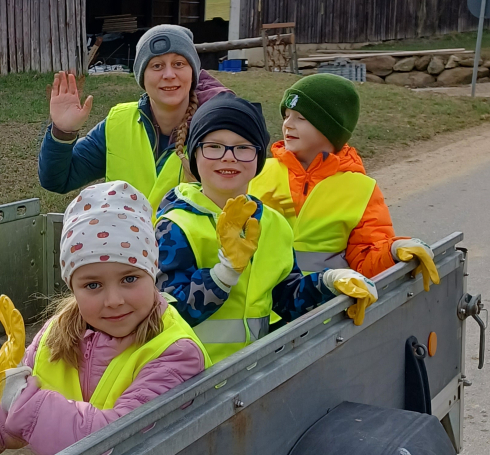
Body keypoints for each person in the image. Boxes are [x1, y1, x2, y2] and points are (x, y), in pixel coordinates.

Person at [0, 181, 210, 455]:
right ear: (72, 287)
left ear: (153, 272)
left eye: (129, 279)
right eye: (93, 285)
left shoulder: (176, 353)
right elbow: (3, 414)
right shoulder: (54, 335)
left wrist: (23, 402)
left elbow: (117, 442)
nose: (114, 300)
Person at [156, 93, 378, 363]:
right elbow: (168, 314)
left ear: (259, 157)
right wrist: (223, 275)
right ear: (194, 153)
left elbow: (286, 300)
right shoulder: (175, 226)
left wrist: (328, 282)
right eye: (213, 146)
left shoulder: (273, 223)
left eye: (243, 147)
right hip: (192, 376)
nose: (228, 158)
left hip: (256, 372)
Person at [248, 74, 439, 289]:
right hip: (259, 303)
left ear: (331, 128)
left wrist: (393, 251)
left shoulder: (361, 189)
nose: (287, 125)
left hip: (327, 304)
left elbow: (365, 261)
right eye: (286, 116)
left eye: (301, 118)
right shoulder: (256, 172)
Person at [39, 24, 232, 210]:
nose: (169, 74)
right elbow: (57, 180)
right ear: (141, 76)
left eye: (179, 64)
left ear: (193, 72)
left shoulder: (221, 128)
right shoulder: (118, 123)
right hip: (123, 234)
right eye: (157, 66)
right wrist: (63, 132)